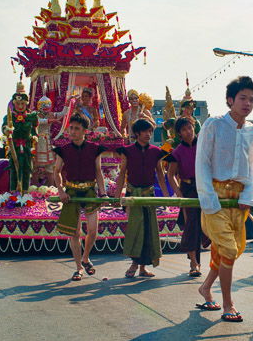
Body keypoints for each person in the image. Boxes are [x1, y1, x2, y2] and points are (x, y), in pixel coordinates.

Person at [196, 76, 253, 322]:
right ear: (230, 100)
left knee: (231, 251)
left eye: (252, 99)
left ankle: (205, 288)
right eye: (243, 98)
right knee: (229, 249)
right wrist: (209, 200)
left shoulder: (252, 131)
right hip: (215, 195)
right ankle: (228, 304)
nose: (247, 103)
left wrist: (249, 194)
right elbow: (202, 162)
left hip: (240, 199)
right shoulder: (213, 125)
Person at [54, 114, 107, 281]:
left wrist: (103, 193)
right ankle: (78, 268)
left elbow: (98, 172)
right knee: (75, 233)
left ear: (86, 131)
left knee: (93, 231)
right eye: (71, 128)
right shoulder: (63, 150)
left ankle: (86, 258)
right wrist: (61, 191)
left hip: (90, 192)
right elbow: (56, 172)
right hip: (72, 193)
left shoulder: (95, 148)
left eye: (77, 128)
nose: (73, 131)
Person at [115, 119, 170, 279]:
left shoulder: (156, 151)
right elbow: (122, 173)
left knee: (148, 231)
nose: (148, 134)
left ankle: (142, 268)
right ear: (137, 133)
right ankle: (134, 264)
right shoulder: (128, 150)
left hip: (149, 195)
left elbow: (160, 174)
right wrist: (116, 197)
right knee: (135, 229)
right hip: (133, 196)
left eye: (150, 131)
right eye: (145, 131)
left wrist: (167, 198)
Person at [166, 117, 209, 277]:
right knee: (191, 225)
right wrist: (179, 194)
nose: (188, 132)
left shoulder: (205, 146)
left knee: (206, 225)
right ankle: (194, 263)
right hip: (188, 189)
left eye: (189, 128)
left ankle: (201, 260)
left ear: (194, 127)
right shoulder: (177, 152)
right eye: (184, 130)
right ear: (179, 133)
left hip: (205, 188)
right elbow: (170, 175)